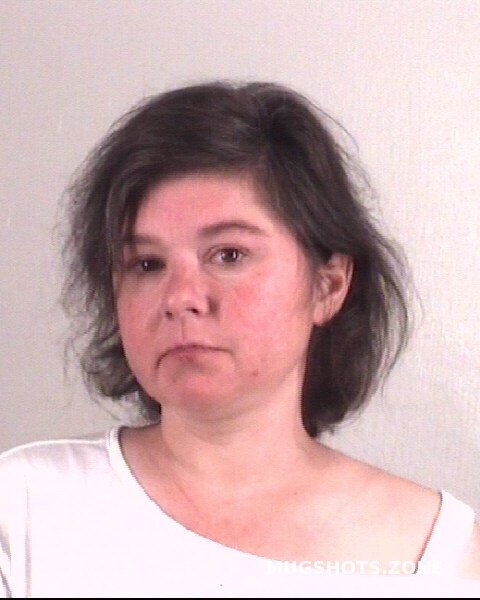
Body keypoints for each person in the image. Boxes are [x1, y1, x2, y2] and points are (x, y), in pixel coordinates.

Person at [1, 80, 479, 598]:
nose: (181, 297)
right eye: (147, 264)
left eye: (229, 255)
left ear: (328, 286)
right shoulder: (26, 506)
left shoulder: (440, 555)